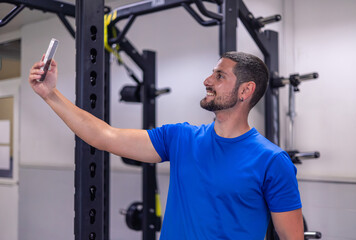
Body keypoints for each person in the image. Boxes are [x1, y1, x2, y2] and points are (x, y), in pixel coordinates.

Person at [29, 51, 303, 239]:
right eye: (212, 73)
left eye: (220, 76)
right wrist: (50, 94)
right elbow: (104, 136)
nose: (207, 81)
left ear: (246, 90)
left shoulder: (272, 161)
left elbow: (291, 237)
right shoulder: (180, 138)